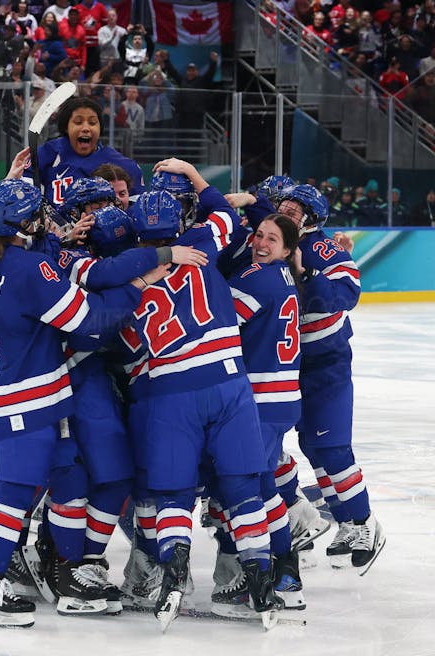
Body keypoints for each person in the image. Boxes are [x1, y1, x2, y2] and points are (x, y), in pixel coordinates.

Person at [0, 179, 148, 626]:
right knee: (11, 494)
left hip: (3, 394)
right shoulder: (31, 268)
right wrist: (137, 285)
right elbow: (88, 320)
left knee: (62, 480)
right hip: (28, 398)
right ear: (26, 222)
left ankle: (61, 572)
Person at [122, 158, 283, 630]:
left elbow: (101, 327)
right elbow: (226, 217)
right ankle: (259, 577)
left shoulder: (125, 273)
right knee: (243, 490)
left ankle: (173, 574)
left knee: (173, 493)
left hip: (171, 392)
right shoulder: (199, 245)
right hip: (230, 384)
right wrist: (196, 177)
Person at [273, 184, 385, 573]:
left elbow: (348, 292)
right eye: (282, 205)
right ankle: (341, 519)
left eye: (295, 208)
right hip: (289, 363)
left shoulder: (323, 249)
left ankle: (363, 522)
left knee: (332, 447)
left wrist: (306, 274)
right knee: (312, 446)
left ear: (313, 218)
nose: (285, 211)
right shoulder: (271, 240)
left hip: (326, 362)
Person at [215, 214, 306, 617]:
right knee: (263, 481)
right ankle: (286, 574)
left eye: (272, 239)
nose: (261, 243)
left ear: (287, 250)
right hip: (282, 396)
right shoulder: (286, 278)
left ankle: (276, 571)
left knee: (251, 487)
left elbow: (218, 324)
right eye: (258, 236)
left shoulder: (256, 276)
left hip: (261, 399)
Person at [36, 96, 143, 208]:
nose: (86, 128)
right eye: (78, 122)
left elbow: (136, 214)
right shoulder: (47, 154)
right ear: (66, 127)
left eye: (92, 123)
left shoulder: (123, 165)